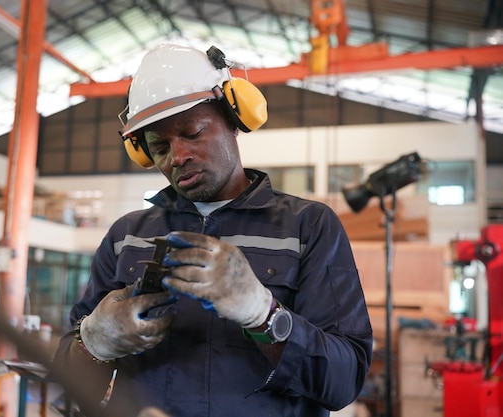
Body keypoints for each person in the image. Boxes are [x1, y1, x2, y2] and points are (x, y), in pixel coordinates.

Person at [52, 43, 373, 417]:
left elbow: (344, 381)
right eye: (159, 147)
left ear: (234, 118)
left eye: (192, 132)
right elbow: (70, 378)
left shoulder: (308, 227)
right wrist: (94, 343)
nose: (177, 157)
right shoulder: (127, 237)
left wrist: (263, 315)